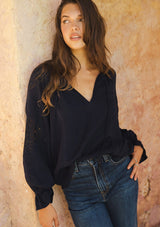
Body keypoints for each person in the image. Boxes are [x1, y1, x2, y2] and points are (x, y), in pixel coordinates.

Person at [23, 0, 148, 226]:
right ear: (60, 29)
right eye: (66, 21)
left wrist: (135, 144)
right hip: (79, 188)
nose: (74, 27)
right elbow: (35, 140)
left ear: (91, 23)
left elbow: (108, 129)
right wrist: (43, 200)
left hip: (120, 176)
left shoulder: (107, 76)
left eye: (80, 19)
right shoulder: (44, 77)